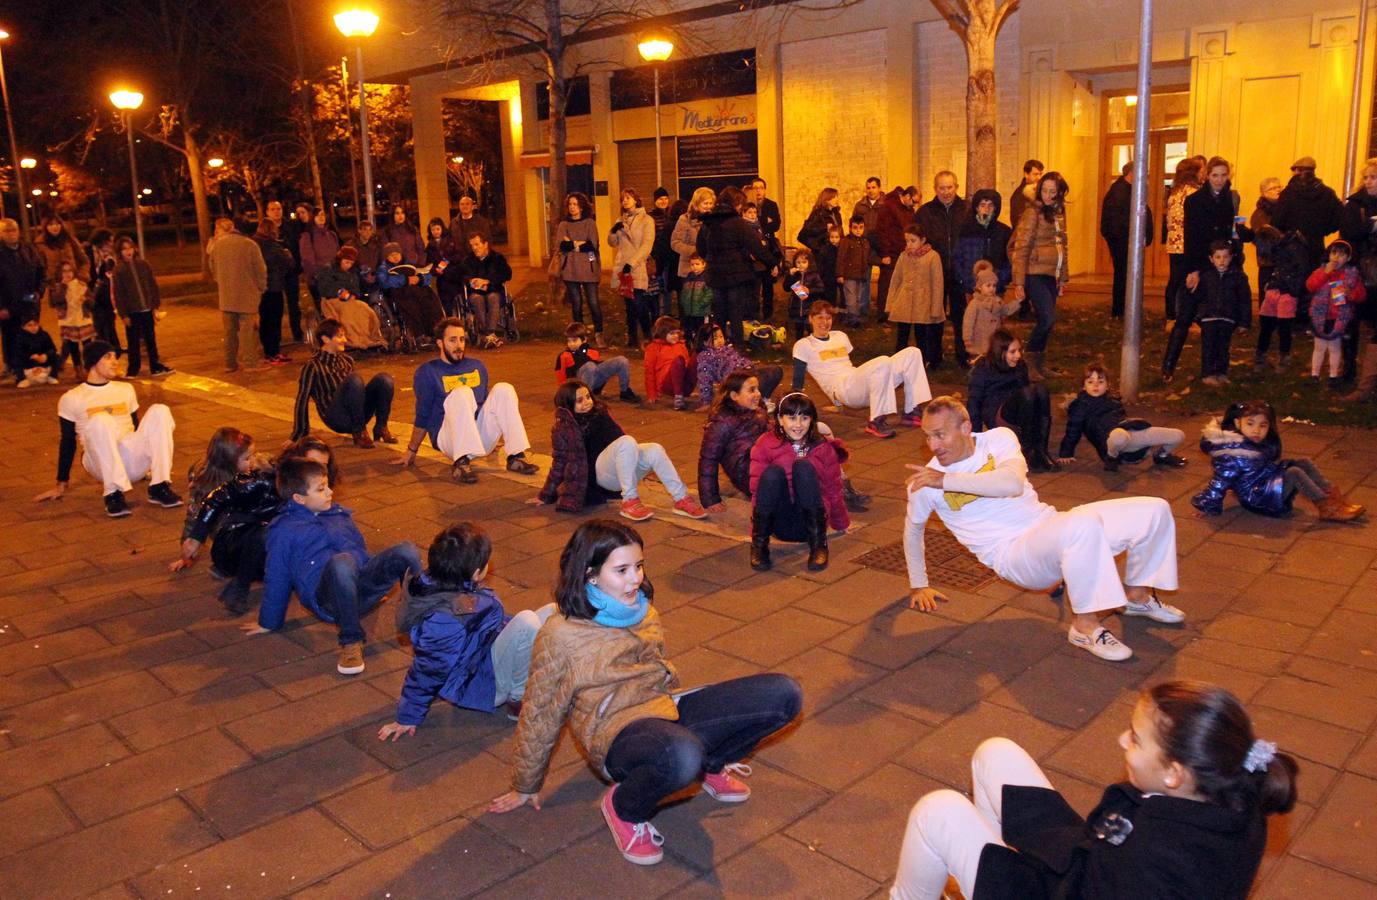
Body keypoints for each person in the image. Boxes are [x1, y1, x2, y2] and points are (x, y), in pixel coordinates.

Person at [487, 520, 803, 866]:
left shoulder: (642, 610)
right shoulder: (560, 634)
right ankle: (624, 808)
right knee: (682, 756)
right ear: (590, 575)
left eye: (638, 566)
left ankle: (710, 764)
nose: (635, 578)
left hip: (663, 709)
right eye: (621, 570)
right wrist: (525, 784)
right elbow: (541, 710)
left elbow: (659, 672)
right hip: (615, 732)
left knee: (784, 695)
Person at [889, 679, 1299, 900]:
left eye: (1136, 739)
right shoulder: (1237, 794)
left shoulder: (1149, 856)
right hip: (1085, 867)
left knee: (936, 811)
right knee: (995, 753)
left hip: (1073, 886)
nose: (1122, 740)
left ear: (1174, 774)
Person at [904, 396, 1184, 661]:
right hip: (1012, 555)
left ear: (965, 427)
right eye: (927, 436)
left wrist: (946, 480)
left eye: (940, 435)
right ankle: (1084, 627)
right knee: (1082, 524)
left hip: (1048, 525)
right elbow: (913, 531)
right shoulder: (924, 482)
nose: (933, 445)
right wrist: (919, 585)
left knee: (1154, 510)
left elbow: (1011, 484)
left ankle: (1137, 596)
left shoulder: (998, 439)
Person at [246, 456, 422, 675]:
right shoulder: (284, 530)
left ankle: (426, 619)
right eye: (321, 489)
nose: (330, 492)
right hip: (326, 597)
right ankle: (351, 641)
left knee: (406, 551)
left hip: (357, 584)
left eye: (327, 485)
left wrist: (373, 580)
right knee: (342, 563)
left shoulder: (337, 515)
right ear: (299, 498)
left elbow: (360, 551)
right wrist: (268, 621)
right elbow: (277, 576)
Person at [378, 523, 556, 735]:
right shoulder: (445, 619)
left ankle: (557, 667)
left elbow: (481, 624)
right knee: (527, 622)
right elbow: (428, 668)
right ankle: (518, 699)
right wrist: (408, 716)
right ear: (476, 573)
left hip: (481, 655)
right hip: (479, 683)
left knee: (553, 611)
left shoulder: (445, 582)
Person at [33, 340, 181, 517]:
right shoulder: (72, 398)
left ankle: (159, 485)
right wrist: (61, 484)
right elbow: (67, 441)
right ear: (93, 362)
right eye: (107, 357)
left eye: (115, 357)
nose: (115, 362)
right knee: (101, 420)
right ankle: (113, 494)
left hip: (130, 458)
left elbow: (136, 428)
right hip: (98, 461)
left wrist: (143, 460)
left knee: (160, 410)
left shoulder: (125, 389)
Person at [534, 380, 707, 521]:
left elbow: (621, 441)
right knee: (627, 441)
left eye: (588, 397)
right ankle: (630, 501)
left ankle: (681, 499)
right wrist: (545, 495)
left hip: (618, 472)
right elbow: (559, 462)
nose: (587, 402)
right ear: (568, 404)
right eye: (579, 400)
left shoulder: (600, 414)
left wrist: (634, 457)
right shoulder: (564, 429)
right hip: (598, 479)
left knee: (655, 449)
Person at [394, 317, 539, 483]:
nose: (459, 345)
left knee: (504, 389)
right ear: (440, 343)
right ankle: (461, 464)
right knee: (462, 392)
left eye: (462, 339)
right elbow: (423, 414)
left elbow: (487, 405)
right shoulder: (427, 372)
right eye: (452, 340)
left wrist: (493, 434)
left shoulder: (477, 366)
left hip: (478, 437)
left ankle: (516, 456)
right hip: (449, 439)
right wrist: (412, 450)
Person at [1192, 399, 1364, 521]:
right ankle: (1326, 507)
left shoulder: (1251, 443)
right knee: (1294, 473)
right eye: (1250, 424)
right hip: (1257, 498)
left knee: (1302, 462)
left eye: (1263, 425)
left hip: (1263, 484)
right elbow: (1220, 482)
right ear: (1238, 423)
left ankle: (1332, 497)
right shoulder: (1232, 453)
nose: (1256, 430)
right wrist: (1207, 505)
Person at [170, 427, 280, 614]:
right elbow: (194, 515)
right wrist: (188, 549)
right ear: (228, 462)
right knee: (260, 537)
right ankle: (238, 573)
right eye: (247, 458)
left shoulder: (258, 467)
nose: (252, 461)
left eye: (253, 454)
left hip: (249, 525)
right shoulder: (205, 481)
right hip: (228, 533)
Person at [791, 301, 930, 438]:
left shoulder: (840, 336)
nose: (825, 322)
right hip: (841, 389)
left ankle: (911, 410)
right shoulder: (804, 344)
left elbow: (848, 365)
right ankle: (876, 421)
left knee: (913, 352)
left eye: (828, 318)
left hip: (855, 382)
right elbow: (798, 379)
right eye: (820, 317)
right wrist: (793, 406)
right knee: (882, 362)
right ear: (811, 319)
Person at [748, 391, 849, 571]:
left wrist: (840, 521)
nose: (798, 424)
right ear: (780, 419)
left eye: (804, 418)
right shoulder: (765, 444)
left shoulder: (822, 446)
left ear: (812, 420)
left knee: (803, 468)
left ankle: (819, 546)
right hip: (779, 522)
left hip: (810, 524)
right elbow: (758, 491)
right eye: (792, 418)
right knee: (772, 473)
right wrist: (754, 531)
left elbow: (833, 487)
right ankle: (759, 547)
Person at [1056, 362, 1186, 471]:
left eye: (1100, 381)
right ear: (1083, 387)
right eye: (1090, 382)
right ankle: (1111, 458)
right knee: (1119, 435)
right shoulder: (1079, 407)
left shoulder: (1113, 401)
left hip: (1129, 435)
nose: (1096, 385)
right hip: (1110, 442)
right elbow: (1073, 431)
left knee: (1178, 435)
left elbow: (1122, 420)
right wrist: (1066, 453)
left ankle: (1162, 456)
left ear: (1107, 385)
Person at [291, 318, 396, 448]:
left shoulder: (347, 360)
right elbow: (302, 399)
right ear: (326, 339)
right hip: (336, 417)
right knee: (354, 380)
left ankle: (380, 427)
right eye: (340, 336)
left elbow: (356, 394)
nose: (345, 340)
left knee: (384, 380)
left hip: (357, 414)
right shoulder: (313, 366)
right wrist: (298, 434)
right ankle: (359, 432)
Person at [967, 330, 1058, 472]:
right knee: (1028, 393)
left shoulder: (1020, 365)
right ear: (1000, 352)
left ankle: (1041, 450)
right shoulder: (984, 367)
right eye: (1013, 352)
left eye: (1019, 350)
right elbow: (974, 402)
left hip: (1020, 409)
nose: (1018, 355)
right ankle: (1027, 450)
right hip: (998, 414)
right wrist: (976, 436)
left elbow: (1028, 395)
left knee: (1041, 390)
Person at [1008, 172, 1070, 381]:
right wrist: (1019, 282)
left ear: (1059, 193)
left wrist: (1063, 278)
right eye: (1044, 190)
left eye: (1053, 191)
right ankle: (1026, 362)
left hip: (1051, 273)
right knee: (1046, 318)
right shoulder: (1032, 212)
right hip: (1033, 272)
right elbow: (1021, 247)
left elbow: (1062, 246)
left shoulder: (1059, 213)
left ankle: (1038, 363)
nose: (1048, 195)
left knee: (1049, 322)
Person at [696, 186, 771, 347]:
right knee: (736, 313)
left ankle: (718, 346)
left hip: (715, 276)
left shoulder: (708, 222)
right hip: (736, 276)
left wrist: (712, 260)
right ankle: (737, 348)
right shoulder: (738, 223)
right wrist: (771, 263)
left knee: (719, 313)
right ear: (736, 203)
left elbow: (701, 248)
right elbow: (756, 247)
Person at [1170, 239, 1252, 385]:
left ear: (1231, 257)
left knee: (1223, 347)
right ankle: (1208, 373)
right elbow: (1196, 297)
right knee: (1208, 347)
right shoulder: (1206, 276)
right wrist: (1195, 308)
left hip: (1227, 318)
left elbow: (1244, 300)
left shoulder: (1238, 277)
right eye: (1218, 257)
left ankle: (1221, 372)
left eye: (1225, 257)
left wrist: (1244, 322)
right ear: (1211, 259)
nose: (1222, 261)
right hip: (1209, 318)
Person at [916, 171, 972, 367]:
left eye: (949, 187)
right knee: (934, 316)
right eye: (942, 188)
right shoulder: (924, 212)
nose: (946, 192)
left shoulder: (967, 210)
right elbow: (916, 240)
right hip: (934, 273)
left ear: (956, 187)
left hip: (960, 272)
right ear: (935, 189)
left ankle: (963, 355)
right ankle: (934, 357)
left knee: (962, 316)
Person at [208, 217, 268, 372]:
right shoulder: (250, 245)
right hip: (247, 294)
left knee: (229, 332)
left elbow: (212, 268)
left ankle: (230, 363)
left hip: (226, 295)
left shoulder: (218, 245)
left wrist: (221, 281)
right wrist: (261, 288)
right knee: (247, 332)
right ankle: (250, 363)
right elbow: (260, 270)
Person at [1307, 239, 1365, 388]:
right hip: (1320, 316)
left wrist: (1351, 294)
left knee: (1334, 347)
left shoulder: (1352, 275)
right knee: (1319, 347)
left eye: (1342, 254)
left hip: (1338, 318)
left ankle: (1333, 376)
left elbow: (1361, 295)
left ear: (1348, 258)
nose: (1337, 257)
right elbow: (1310, 286)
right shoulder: (1321, 271)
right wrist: (1324, 273)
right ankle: (1314, 374)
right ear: (1329, 255)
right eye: (1334, 253)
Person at [1272, 156, 1345, 275]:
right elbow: (1340, 217)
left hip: (1292, 247)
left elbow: (1277, 221)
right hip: (1316, 246)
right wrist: (1324, 230)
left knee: (1293, 281)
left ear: (1297, 171)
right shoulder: (1327, 193)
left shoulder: (1288, 193)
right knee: (1314, 280)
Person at [111, 237, 172, 377]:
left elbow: (152, 285)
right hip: (132, 311)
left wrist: (155, 305)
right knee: (133, 341)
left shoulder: (143, 265)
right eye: (124, 249)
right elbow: (119, 294)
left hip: (147, 309)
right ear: (120, 252)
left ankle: (155, 365)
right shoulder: (119, 270)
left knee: (150, 339)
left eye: (130, 248)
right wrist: (124, 314)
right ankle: (133, 368)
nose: (128, 251)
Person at [1100, 161, 1154, 318]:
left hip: (1127, 240)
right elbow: (1118, 221)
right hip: (1123, 241)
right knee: (1124, 274)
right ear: (1132, 173)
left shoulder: (1128, 190)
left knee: (1126, 274)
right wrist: (1131, 239)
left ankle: (1126, 309)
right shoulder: (1120, 192)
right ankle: (1121, 310)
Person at [1342, 158, 1377, 400]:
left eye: (1373, 177)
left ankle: (1368, 383)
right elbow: (1348, 233)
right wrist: (1370, 227)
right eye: (1366, 177)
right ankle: (1349, 371)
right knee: (1350, 322)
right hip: (1360, 271)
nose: (1368, 181)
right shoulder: (1355, 205)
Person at [1253, 227, 1309, 374]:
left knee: (1284, 327)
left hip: (1286, 292)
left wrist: (1292, 290)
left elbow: (1301, 271)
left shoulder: (1292, 248)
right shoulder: (1281, 247)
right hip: (1276, 288)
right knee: (1266, 324)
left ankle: (1283, 358)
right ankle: (1261, 357)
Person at [887, 223, 945, 363]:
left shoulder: (933, 257)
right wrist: (891, 303)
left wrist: (936, 308)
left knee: (921, 335)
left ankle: (922, 362)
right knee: (902, 335)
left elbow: (937, 284)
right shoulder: (903, 256)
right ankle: (899, 362)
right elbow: (896, 280)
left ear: (923, 240)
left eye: (913, 241)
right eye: (907, 241)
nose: (909, 244)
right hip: (904, 302)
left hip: (923, 303)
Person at [555, 192, 605, 347]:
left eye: (575, 204)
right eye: (570, 204)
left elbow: (592, 245)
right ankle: (579, 336)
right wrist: (579, 243)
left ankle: (599, 333)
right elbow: (561, 245)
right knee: (576, 303)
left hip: (589, 268)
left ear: (582, 206)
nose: (572, 207)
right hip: (570, 269)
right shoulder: (564, 225)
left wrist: (572, 243)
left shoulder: (590, 223)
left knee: (593, 302)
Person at [695, 322, 783, 409]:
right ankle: (755, 403)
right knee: (757, 381)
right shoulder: (705, 357)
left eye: (721, 336)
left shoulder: (727, 348)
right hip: (737, 381)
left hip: (749, 372)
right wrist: (706, 402)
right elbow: (705, 380)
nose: (720, 340)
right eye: (715, 338)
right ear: (705, 342)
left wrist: (751, 366)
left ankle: (762, 400)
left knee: (776, 371)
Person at [609, 189, 656, 349]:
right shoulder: (620, 219)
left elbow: (647, 245)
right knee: (629, 304)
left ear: (636, 199)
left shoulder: (646, 220)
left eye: (628, 198)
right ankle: (632, 336)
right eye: (622, 199)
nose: (625, 201)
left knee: (639, 302)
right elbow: (613, 243)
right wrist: (613, 231)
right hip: (623, 265)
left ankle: (647, 334)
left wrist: (632, 263)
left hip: (637, 265)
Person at [952, 189, 1013, 309]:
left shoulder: (1004, 231)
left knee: (994, 318)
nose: (986, 209)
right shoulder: (966, 230)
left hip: (996, 287)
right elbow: (957, 258)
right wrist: (966, 280)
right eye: (983, 205)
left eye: (990, 205)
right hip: (972, 287)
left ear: (996, 208)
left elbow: (1010, 261)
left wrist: (1000, 279)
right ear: (976, 208)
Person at [317, 247, 386, 351]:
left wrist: (353, 294)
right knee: (348, 312)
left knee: (365, 309)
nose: (348, 265)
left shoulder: (353, 273)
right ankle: (353, 340)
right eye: (346, 262)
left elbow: (356, 288)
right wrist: (339, 292)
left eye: (351, 263)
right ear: (340, 260)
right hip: (332, 301)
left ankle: (368, 337)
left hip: (350, 300)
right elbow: (324, 288)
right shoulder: (328, 270)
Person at [0, 218, 44, 377]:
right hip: (8, 302)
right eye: (7, 230)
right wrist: (1, 306)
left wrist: (38, 292)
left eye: (14, 230)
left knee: (30, 332)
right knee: (10, 335)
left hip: (29, 300)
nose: (11, 233)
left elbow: (40, 271)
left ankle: (30, 364)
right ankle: (11, 365)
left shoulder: (28, 249)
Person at [1163, 159, 1204, 320]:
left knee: (1175, 280)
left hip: (1174, 244)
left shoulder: (1174, 193)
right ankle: (1188, 315)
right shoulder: (1194, 193)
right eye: (1200, 171)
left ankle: (1171, 315)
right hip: (1189, 243)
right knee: (1191, 280)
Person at [555, 321, 637, 401]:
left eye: (574, 340)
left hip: (593, 380)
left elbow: (597, 370)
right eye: (569, 341)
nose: (571, 344)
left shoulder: (592, 351)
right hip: (577, 387)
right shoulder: (564, 355)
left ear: (584, 340)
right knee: (590, 366)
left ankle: (625, 391)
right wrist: (565, 395)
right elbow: (560, 376)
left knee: (621, 360)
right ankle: (586, 397)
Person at [253, 218, 295, 365]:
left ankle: (269, 351)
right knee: (274, 320)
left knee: (265, 320)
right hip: (274, 286)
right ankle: (273, 352)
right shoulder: (273, 246)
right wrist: (288, 255)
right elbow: (288, 264)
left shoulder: (254, 244)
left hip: (260, 288)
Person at [874, 186, 919, 322]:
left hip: (903, 252)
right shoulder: (889, 207)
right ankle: (883, 314)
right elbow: (881, 231)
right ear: (907, 196)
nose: (914, 205)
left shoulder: (908, 210)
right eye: (914, 201)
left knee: (900, 284)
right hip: (891, 253)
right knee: (887, 284)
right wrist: (885, 253)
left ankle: (896, 312)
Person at [962, 261, 1021, 361]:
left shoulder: (997, 301)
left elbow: (1006, 310)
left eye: (994, 286)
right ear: (979, 287)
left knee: (994, 360)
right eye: (988, 285)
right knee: (980, 361)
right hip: (979, 340)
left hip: (995, 340)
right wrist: (967, 339)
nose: (991, 289)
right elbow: (968, 323)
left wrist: (1017, 301)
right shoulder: (975, 304)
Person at [384, 263, 445, 349]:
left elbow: (427, 276)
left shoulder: (411, 263)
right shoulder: (383, 267)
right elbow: (383, 281)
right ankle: (419, 334)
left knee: (428, 298)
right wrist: (406, 280)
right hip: (398, 291)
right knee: (409, 302)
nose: (395, 257)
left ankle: (434, 332)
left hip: (414, 288)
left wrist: (419, 279)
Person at [52, 260, 95, 378]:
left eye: (69, 270)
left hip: (83, 319)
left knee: (87, 345)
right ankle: (78, 369)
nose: (67, 274)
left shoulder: (81, 285)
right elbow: (56, 301)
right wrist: (63, 286)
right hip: (68, 320)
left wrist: (86, 300)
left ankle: (89, 367)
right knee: (73, 347)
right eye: (64, 271)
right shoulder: (58, 287)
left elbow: (92, 303)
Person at [84, 229, 122, 358]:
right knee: (100, 323)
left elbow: (111, 272)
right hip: (94, 291)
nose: (111, 244)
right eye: (109, 241)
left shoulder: (110, 255)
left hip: (107, 292)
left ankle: (113, 349)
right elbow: (90, 271)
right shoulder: (90, 251)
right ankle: (106, 349)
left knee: (109, 322)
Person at [740, 201, 782, 320]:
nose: (753, 215)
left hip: (765, 263)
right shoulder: (742, 228)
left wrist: (774, 263)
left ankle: (768, 315)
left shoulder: (761, 227)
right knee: (753, 294)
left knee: (768, 291)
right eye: (749, 212)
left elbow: (768, 243)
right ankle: (752, 317)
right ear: (743, 213)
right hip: (752, 266)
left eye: (754, 212)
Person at [643, 316, 695, 409]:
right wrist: (652, 394)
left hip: (682, 383)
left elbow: (687, 365)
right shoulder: (653, 348)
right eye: (672, 333)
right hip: (666, 385)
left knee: (696, 358)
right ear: (663, 333)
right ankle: (678, 398)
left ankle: (705, 396)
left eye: (677, 333)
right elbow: (649, 372)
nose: (675, 336)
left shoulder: (681, 345)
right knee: (678, 361)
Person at [35, 214, 88, 303]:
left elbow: (84, 261)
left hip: (74, 284)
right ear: (45, 227)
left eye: (57, 224)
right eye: (51, 224)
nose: (55, 227)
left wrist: (81, 277)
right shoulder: (40, 244)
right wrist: (49, 281)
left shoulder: (69, 240)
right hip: (55, 287)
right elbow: (40, 267)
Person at [1251, 177, 1283, 308]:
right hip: (1268, 261)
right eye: (1273, 188)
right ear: (1264, 193)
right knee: (1267, 300)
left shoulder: (1285, 209)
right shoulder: (1260, 214)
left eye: (1279, 187)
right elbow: (1262, 239)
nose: (1277, 190)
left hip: (1284, 262)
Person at [281, 202, 311, 343]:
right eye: (298, 213)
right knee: (286, 304)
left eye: (303, 212)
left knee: (295, 303)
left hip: (298, 269)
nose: (300, 216)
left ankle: (298, 333)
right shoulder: (292, 227)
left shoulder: (296, 226)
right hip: (284, 270)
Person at [298, 208, 341, 306]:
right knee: (323, 307)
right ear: (312, 218)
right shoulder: (307, 236)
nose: (321, 217)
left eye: (322, 214)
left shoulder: (332, 234)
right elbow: (307, 259)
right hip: (318, 279)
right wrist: (317, 274)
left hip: (334, 277)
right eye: (317, 215)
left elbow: (338, 254)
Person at [837, 214, 872, 327]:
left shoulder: (865, 242)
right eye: (855, 228)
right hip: (849, 274)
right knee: (851, 298)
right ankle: (853, 319)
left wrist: (880, 261)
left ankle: (856, 317)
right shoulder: (846, 241)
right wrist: (840, 274)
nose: (858, 230)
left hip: (861, 274)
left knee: (858, 297)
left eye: (861, 227)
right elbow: (841, 258)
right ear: (850, 228)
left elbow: (868, 257)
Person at [783, 248, 826, 340]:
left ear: (809, 263)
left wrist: (810, 290)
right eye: (798, 262)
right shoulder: (794, 275)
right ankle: (799, 344)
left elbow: (821, 289)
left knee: (810, 329)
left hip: (809, 308)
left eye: (804, 262)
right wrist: (789, 276)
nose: (801, 265)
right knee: (798, 330)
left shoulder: (814, 275)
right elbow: (786, 288)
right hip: (796, 307)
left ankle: (812, 343)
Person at [648, 187, 676, 313]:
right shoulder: (651, 217)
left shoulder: (672, 215)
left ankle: (666, 313)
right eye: (660, 199)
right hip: (657, 257)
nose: (663, 201)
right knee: (659, 286)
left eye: (665, 198)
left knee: (667, 287)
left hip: (670, 256)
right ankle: (659, 314)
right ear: (655, 201)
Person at [14, 311, 59, 386]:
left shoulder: (44, 334)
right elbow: (18, 351)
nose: (33, 327)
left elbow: (53, 349)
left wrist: (45, 355)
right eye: (29, 325)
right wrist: (30, 356)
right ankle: (22, 379)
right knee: (16, 360)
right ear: (23, 327)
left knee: (56, 356)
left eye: (35, 324)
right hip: (28, 362)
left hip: (42, 361)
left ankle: (52, 376)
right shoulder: (19, 337)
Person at [678, 252, 713, 342]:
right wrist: (684, 302)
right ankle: (689, 344)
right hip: (689, 311)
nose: (694, 267)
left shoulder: (707, 277)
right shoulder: (689, 277)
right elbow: (684, 291)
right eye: (692, 264)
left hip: (701, 312)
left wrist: (701, 303)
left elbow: (709, 293)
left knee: (701, 331)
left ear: (704, 264)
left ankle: (701, 345)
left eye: (697, 264)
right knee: (688, 330)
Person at [448, 194, 492, 260]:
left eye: (467, 204)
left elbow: (488, 240)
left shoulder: (481, 222)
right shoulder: (453, 223)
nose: (464, 206)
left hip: (477, 259)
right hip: (459, 260)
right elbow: (449, 241)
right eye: (462, 204)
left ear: (472, 207)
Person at [1008, 158, 1044, 231]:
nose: (1039, 177)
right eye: (1035, 174)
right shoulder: (1020, 195)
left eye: (1040, 174)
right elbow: (1018, 223)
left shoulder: (1040, 191)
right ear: (1026, 174)